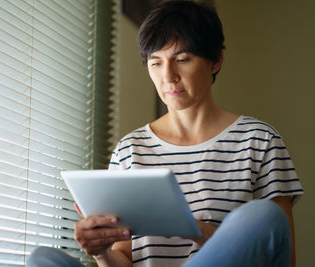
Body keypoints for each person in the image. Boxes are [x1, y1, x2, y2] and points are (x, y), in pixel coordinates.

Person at [26, 0, 303, 266]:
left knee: (264, 216)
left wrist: (195, 230)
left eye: (181, 59)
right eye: (155, 62)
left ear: (215, 61)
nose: (168, 76)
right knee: (43, 259)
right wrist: (101, 254)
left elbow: (279, 254)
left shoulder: (259, 140)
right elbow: (123, 260)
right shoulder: (130, 149)